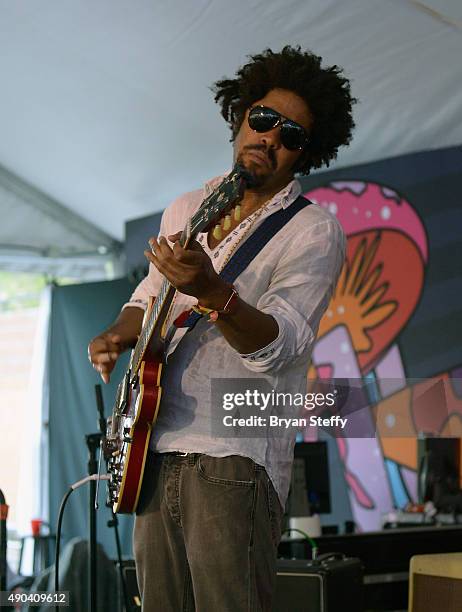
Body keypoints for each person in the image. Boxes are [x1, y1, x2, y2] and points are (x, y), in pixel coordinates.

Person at [88, 46, 356, 611]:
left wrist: (213, 291)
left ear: (306, 153)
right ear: (240, 117)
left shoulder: (313, 231)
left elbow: (280, 345)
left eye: (291, 135)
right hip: (153, 447)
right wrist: (118, 333)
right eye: (262, 119)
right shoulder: (187, 206)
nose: (270, 138)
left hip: (234, 453)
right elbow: (147, 298)